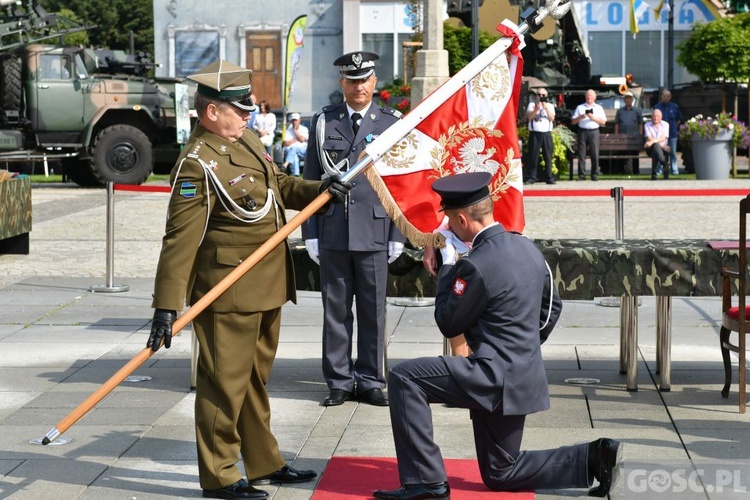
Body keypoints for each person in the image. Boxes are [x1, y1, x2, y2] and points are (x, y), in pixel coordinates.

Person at [145, 59, 351, 500]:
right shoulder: (197, 163)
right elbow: (179, 239)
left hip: (268, 283)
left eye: (248, 108)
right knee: (223, 385)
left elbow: (278, 184)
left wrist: (321, 190)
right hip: (227, 291)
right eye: (238, 109)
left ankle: (264, 462)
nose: (248, 115)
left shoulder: (247, 139)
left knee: (253, 381)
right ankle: (219, 476)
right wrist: (166, 305)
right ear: (211, 111)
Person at [373, 171, 623, 500]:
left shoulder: (474, 265)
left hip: (491, 375)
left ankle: (426, 482)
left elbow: (448, 322)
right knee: (499, 473)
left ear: (462, 219)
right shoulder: (528, 247)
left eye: (448, 220)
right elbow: (552, 308)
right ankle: (593, 458)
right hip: (522, 374)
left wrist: (448, 264)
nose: (446, 226)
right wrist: (522, 348)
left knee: (404, 378)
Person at [302, 51, 405, 408]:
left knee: (373, 311)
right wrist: (310, 232)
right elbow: (311, 180)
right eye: (352, 80)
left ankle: (370, 379)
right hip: (333, 230)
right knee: (336, 311)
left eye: (364, 80)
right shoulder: (323, 122)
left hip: (376, 230)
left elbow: (402, 185)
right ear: (341, 83)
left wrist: (398, 233)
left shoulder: (392, 123)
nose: (358, 86)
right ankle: (339, 380)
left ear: (375, 83)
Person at [571, 89, 606, 180]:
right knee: (581, 154)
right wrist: (580, 117)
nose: (589, 97)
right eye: (587, 95)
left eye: (590, 95)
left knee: (594, 153)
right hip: (582, 131)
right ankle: (581, 175)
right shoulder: (580, 107)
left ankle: (594, 174)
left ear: (594, 97)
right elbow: (573, 121)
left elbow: (603, 122)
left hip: (594, 131)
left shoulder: (599, 108)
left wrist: (593, 118)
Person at [524, 87, 556, 185]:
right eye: (539, 95)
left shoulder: (550, 105)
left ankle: (549, 177)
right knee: (533, 156)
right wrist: (537, 108)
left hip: (546, 133)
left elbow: (552, 118)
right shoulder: (532, 105)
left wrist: (545, 107)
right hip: (535, 133)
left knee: (548, 156)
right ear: (536, 96)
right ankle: (531, 177)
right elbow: (529, 117)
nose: (541, 97)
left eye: (543, 95)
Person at [653, 88, 683, 176]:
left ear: (670, 97)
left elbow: (679, 119)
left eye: (668, 96)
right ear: (661, 96)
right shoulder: (657, 107)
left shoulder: (675, 106)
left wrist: (674, 127)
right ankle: (659, 170)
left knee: (673, 152)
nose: (666, 97)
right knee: (660, 152)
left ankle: (674, 170)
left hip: (672, 133)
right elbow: (654, 120)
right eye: (664, 96)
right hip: (660, 135)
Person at [614, 91, 643, 174]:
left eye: (629, 98)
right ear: (624, 100)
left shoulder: (637, 111)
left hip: (634, 136)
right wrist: (616, 135)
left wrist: (640, 134)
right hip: (622, 137)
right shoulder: (620, 111)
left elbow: (640, 123)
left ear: (632, 100)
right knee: (622, 155)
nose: (628, 100)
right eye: (626, 98)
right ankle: (622, 171)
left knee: (635, 155)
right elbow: (617, 123)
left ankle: (636, 171)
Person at [644, 108, 671, 180]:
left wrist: (653, 141)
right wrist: (661, 146)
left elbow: (664, 137)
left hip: (661, 149)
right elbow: (649, 137)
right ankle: (663, 162)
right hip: (651, 148)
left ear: (661, 117)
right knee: (655, 147)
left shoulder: (665, 124)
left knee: (655, 151)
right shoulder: (647, 125)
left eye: (657, 116)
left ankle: (654, 174)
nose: (655, 118)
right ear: (651, 117)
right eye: (654, 116)